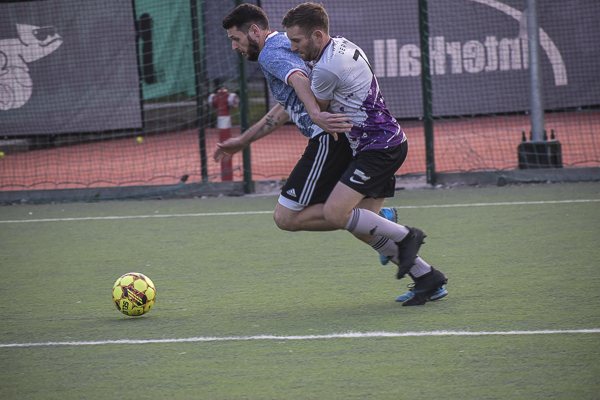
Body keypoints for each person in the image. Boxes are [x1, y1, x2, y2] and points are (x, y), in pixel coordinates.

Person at [281, 2, 448, 306]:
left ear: (317, 35)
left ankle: (406, 235)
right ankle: (428, 278)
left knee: (337, 213)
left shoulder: (326, 68)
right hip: (383, 143)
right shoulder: (341, 44)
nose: (293, 48)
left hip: (379, 148)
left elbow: (316, 109)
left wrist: (294, 79)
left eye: (296, 41)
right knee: (363, 226)